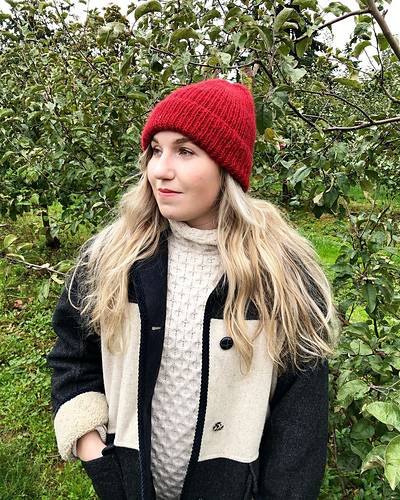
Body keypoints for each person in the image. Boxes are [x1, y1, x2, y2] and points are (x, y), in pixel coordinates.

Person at [47, 79, 337, 500]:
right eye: (156, 150)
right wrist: (98, 459)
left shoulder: (282, 275)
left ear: (226, 168)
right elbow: (73, 358)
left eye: (185, 151)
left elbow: (301, 424)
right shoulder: (111, 258)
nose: (160, 170)